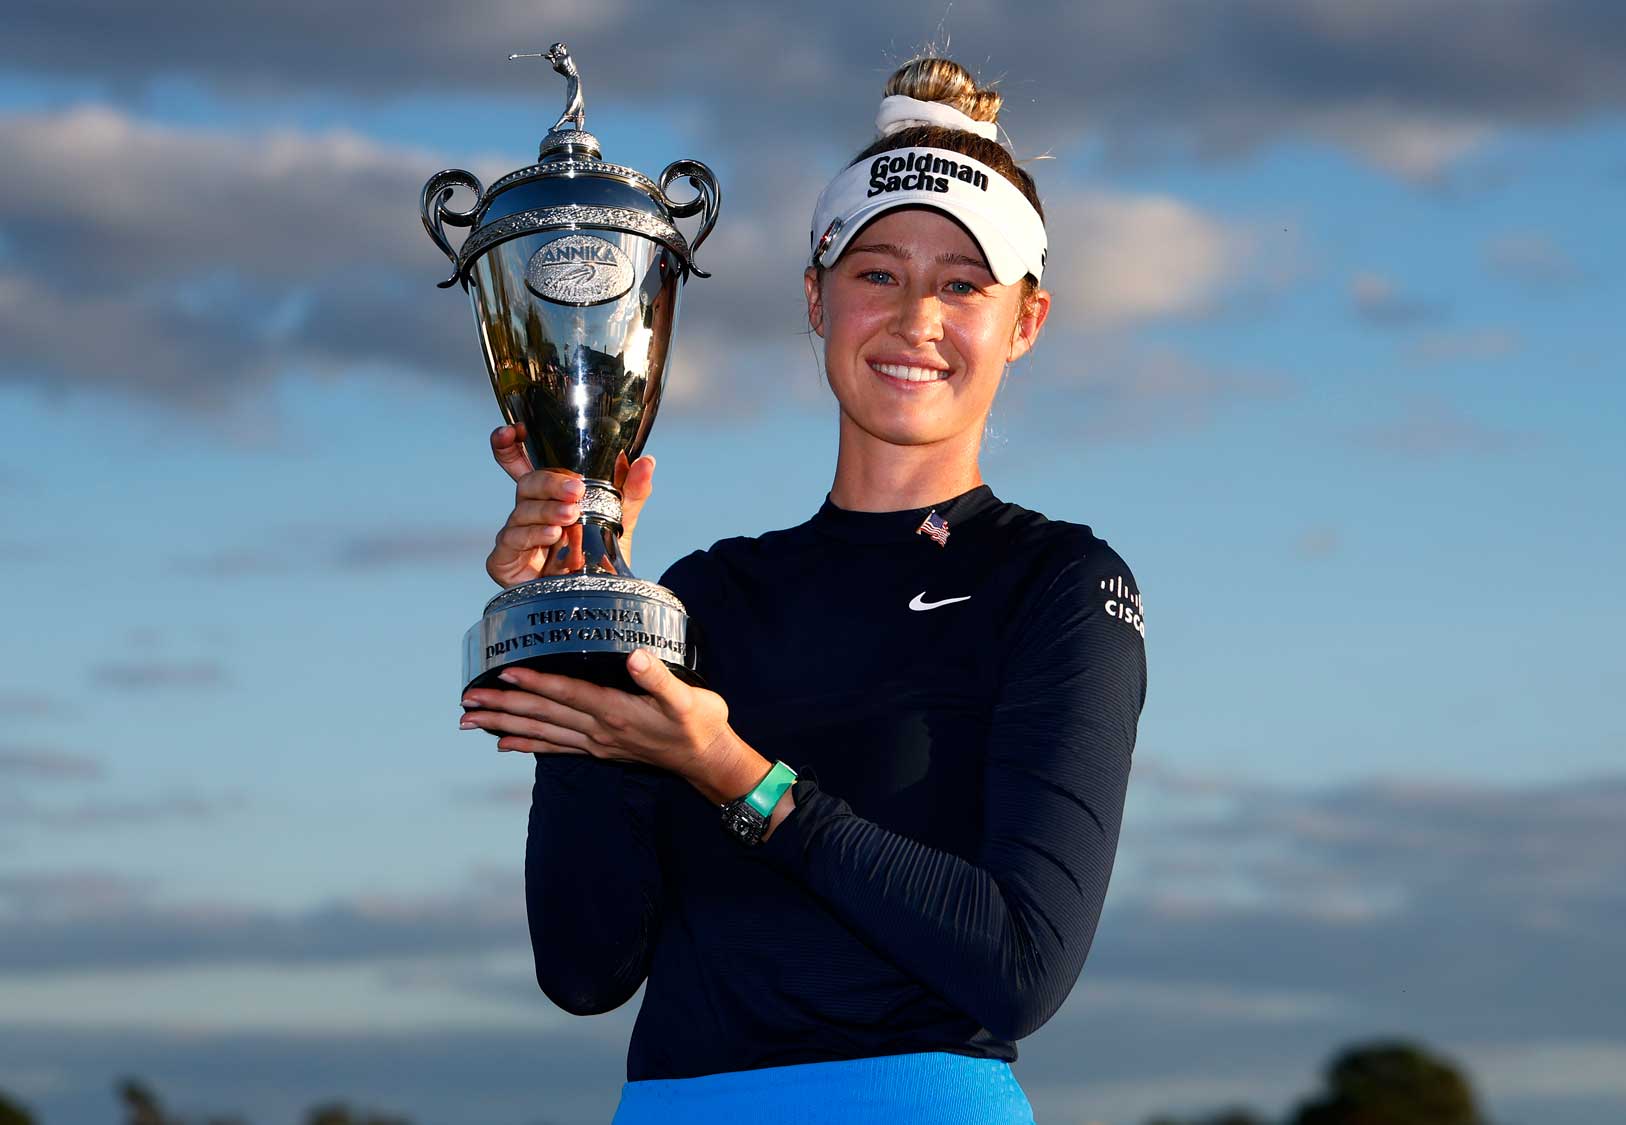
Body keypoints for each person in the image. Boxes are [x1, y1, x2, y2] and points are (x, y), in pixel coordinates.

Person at [457, 54, 1148, 1125]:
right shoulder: (702, 596)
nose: (916, 315)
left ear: (1025, 322)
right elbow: (584, 968)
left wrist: (731, 772)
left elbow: (1018, 963)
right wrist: (581, 619)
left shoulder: (1056, 583)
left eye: (962, 284)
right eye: (876, 272)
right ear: (815, 300)